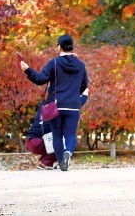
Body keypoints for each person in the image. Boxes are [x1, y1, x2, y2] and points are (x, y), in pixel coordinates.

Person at [20, 35, 88, 171]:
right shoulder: (81, 65)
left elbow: (40, 79)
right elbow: (84, 85)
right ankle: (68, 152)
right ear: (72, 46)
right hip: (73, 106)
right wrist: (73, 93)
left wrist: (27, 69)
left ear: (59, 47)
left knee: (57, 135)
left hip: (56, 106)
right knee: (70, 135)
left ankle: (62, 161)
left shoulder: (54, 63)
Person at [26, 90, 89, 170]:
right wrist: (85, 95)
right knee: (64, 142)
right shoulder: (57, 107)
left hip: (30, 141)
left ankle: (45, 163)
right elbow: (74, 107)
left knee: (59, 139)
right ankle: (45, 163)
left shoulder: (46, 105)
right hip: (37, 142)